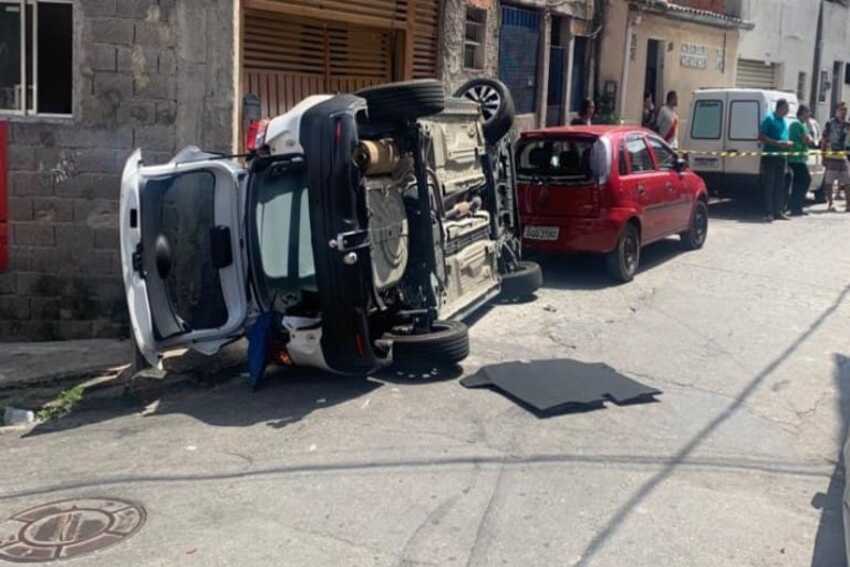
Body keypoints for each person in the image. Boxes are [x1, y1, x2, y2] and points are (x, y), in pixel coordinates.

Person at [758, 99, 794, 222]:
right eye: (786, 108)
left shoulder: (784, 121)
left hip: (781, 157)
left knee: (780, 185)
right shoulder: (769, 119)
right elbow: (761, 136)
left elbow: (784, 136)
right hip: (770, 156)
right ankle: (768, 212)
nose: (788, 110)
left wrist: (788, 143)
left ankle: (778, 211)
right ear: (780, 107)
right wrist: (777, 143)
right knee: (770, 184)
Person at [821, 102, 850, 212]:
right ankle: (830, 203)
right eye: (841, 110)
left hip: (843, 157)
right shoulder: (830, 123)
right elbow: (824, 140)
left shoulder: (847, 124)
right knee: (829, 181)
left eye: (845, 110)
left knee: (847, 181)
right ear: (836, 111)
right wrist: (823, 156)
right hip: (831, 156)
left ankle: (848, 204)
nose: (843, 112)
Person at [787, 105, 815, 216]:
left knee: (800, 182)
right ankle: (795, 206)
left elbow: (810, 139)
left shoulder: (803, 125)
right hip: (795, 158)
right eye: (808, 112)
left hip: (800, 158)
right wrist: (808, 139)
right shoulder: (796, 124)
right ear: (802, 112)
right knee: (806, 179)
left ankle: (797, 207)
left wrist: (809, 137)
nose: (809, 114)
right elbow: (807, 140)